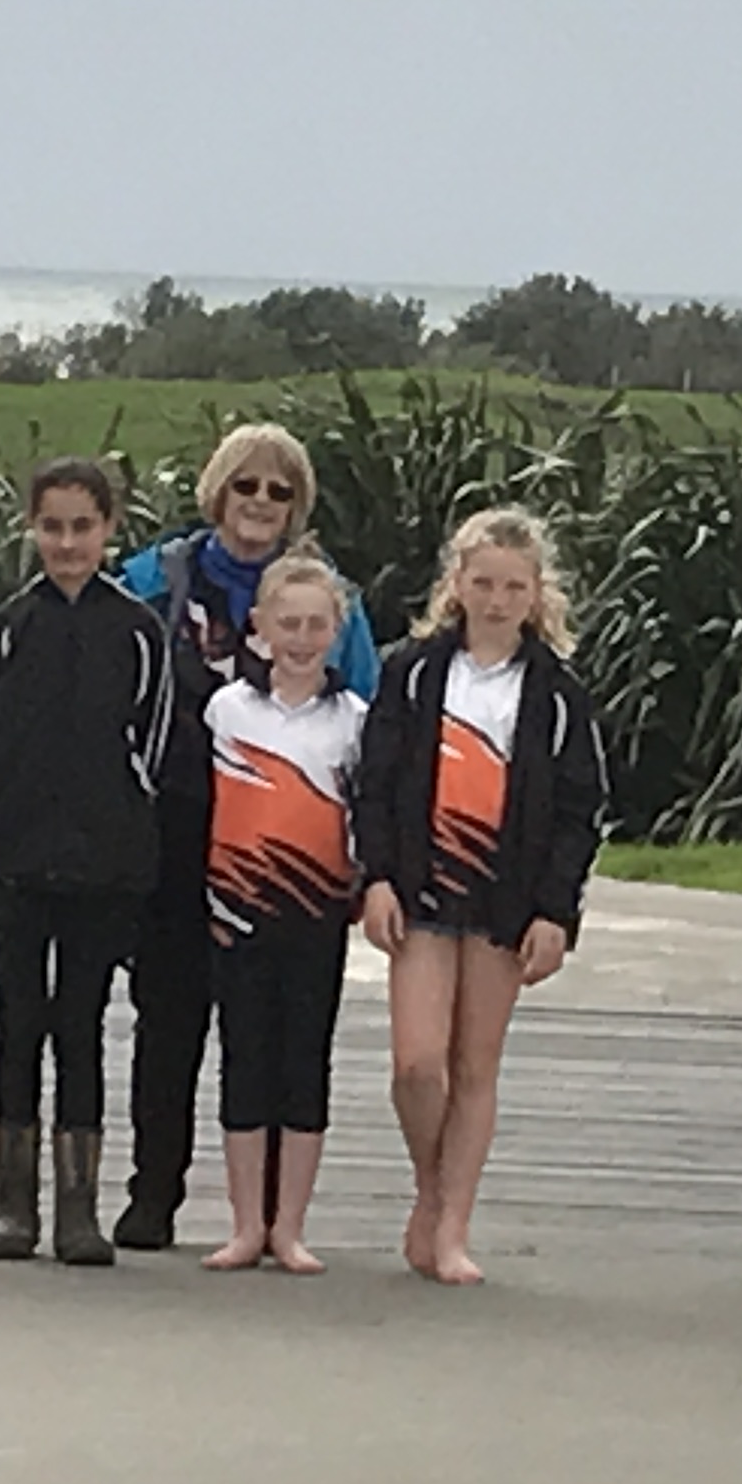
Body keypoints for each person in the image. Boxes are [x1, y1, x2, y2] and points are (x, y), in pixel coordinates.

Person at [109, 422, 383, 1252]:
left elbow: (368, 724)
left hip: (283, 845)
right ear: (217, 492)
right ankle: (154, 1190)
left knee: (272, 1030)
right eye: (246, 485)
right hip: (174, 828)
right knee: (168, 1018)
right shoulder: (154, 581)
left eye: (279, 490)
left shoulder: (331, 602)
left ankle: (268, 1216)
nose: (261, 502)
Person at [353, 506, 609, 1287]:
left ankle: (452, 1224)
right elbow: (375, 781)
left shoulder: (557, 694)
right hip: (421, 891)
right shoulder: (413, 673)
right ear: (457, 584)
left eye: (513, 587)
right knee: (416, 1065)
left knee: (474, 1066)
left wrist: (556, 912)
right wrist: (376, 877)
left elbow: (578, 813)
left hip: (506, 901)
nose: (497, 600)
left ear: (537, 595)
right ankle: (430, 1187)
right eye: (484, 583)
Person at [0, 456, 175, 1268]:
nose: (67, 543)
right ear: (32, 528)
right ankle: (13, 1202)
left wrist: (123, 835)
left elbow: (154, 747)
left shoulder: (139, 632)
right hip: (15, 862)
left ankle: (78, 1209)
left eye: (82, 527)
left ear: (109, 528)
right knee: (17, 1024)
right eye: (52, 527)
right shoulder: (8, 624)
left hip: (102, 867)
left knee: (81, 1025)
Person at [196, 551, 365, 1273]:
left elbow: (365, 822)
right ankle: (245, 1225)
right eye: (287, 623)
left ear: (336, 630)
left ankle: (289, 1227)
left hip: (317, 914)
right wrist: (207, 898)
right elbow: (200, 810)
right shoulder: (226, 709)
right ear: (259, 626)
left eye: (315, 625)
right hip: (236, 912)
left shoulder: (355, 720)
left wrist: (359, 891)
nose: (300, 638)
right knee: (243, 1060)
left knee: (305, 1061)